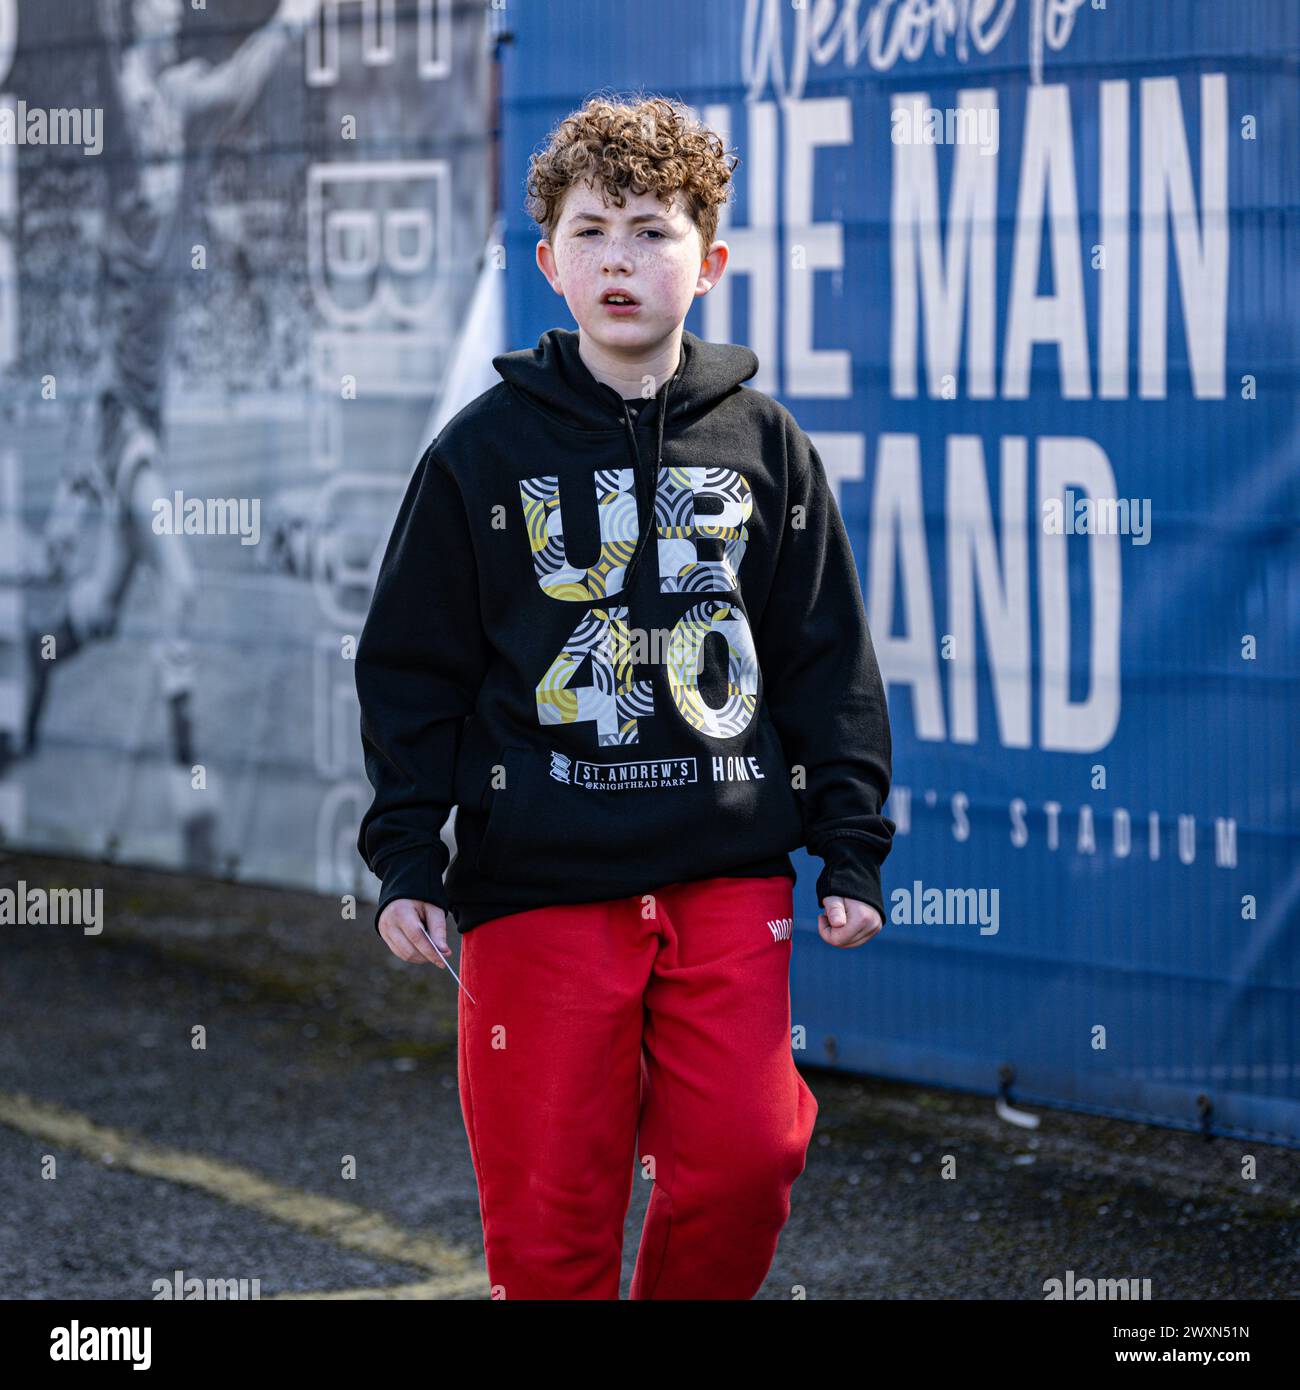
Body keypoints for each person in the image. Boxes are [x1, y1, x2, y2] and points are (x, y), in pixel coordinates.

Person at [355, 95, 895, 1300]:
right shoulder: (479, 454)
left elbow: (825, 661)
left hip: (723, 873)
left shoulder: (766, 444)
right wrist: (406, 856)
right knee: (551, 1215)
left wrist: (849, 848)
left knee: (749, 1157)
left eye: (652, 231)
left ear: (707, 262)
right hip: (537, 886)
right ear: (548, 261)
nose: (619, 258)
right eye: (591, 230)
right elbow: (411, 671)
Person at [19, 0, 319, 865]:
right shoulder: (121, 121)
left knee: (98, 613)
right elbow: (117, 56)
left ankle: (34, 671)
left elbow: (231, 84)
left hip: (149, 418)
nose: (163, 13)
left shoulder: (181, 103)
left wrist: (289, 27)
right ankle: (201, 813)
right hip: (119, 422)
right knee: (181, 588)